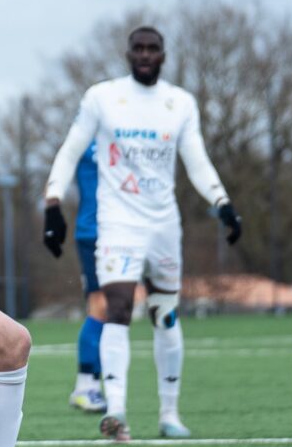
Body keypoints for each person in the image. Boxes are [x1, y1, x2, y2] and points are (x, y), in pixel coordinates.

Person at [43, 27, 243, 442]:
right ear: (128, 54)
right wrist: (53, 202)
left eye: (153, 49)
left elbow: (197, 160)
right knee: (116, 307)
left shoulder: (180, 103)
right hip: (118, 224)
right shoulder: (103, 97)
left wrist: (222, 202)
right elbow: (70, 149)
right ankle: (115, 413)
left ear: (164, 54)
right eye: (139, 48)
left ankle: (170, 414)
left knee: (164, 314)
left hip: (163, 225)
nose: (146, 55)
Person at [44, 143, 107, 413]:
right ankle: (86, 386)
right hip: (98, 232)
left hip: (112, 231)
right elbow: (63, 163)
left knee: (111, 309)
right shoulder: (88, 138)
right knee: (102, 307)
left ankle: (92, 384)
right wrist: (52, 210)